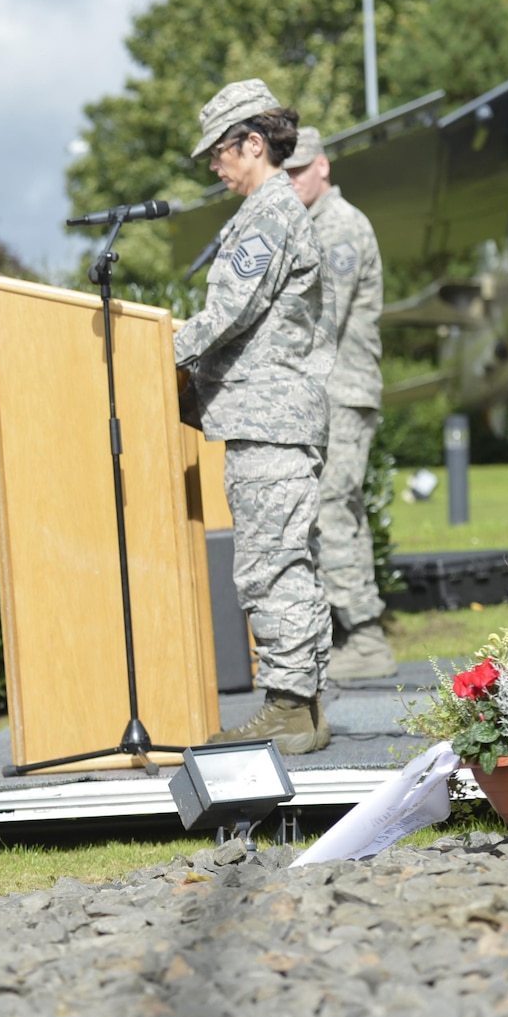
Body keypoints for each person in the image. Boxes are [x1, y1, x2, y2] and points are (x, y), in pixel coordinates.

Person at [176, 81, 335, 756]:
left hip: (271, 422)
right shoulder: (266, 211)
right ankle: (300, 701)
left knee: (271, 565)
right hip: (265, 419)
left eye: (220, 152)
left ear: (254, 143)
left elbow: (229, 313)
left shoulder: (269, 213)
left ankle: (289, 709)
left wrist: (158, 347)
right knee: (282, 560)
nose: (215, 166)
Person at [285, 127, 397, 681]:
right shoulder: (310, 224)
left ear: (323, 166)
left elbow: (320, 318)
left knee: (332, 505)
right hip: (325, 393)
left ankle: (365, 636)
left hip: (343, 392)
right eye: (282, 172)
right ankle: (355, 633)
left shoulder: (342, 226)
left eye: (299, 169)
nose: (290, 180)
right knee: (337, 509)